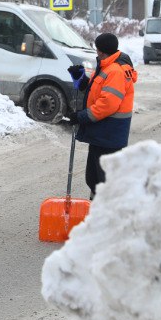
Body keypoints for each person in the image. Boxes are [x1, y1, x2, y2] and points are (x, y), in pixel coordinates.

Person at [66, 32, 137, 199]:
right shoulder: (107, 66)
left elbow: (108, 104)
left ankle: (108, 210)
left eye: (97, 49)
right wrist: (81, 79)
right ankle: (96, 206)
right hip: (101, 133)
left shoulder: (115, 71)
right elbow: (96, 91)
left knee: (105, 181)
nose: (96, 52)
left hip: (109, 133)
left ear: (102, 51)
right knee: (94, 178)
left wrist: (81, 117)